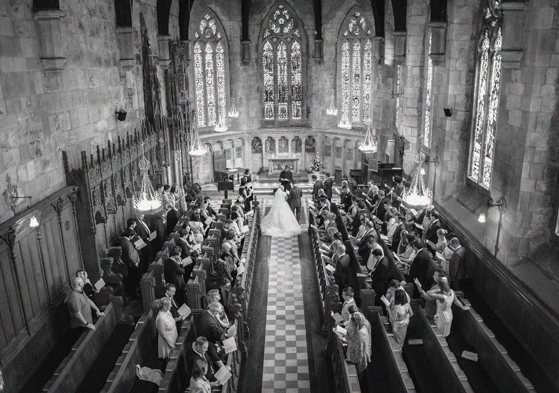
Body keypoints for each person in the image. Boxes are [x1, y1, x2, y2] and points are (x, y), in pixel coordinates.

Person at [345, 306, 372, 374]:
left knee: (359, 370)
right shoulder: (362, 321)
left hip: (360, 353)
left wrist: (347, 336)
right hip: (362, 350)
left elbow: (353, 340)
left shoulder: (361, 332)